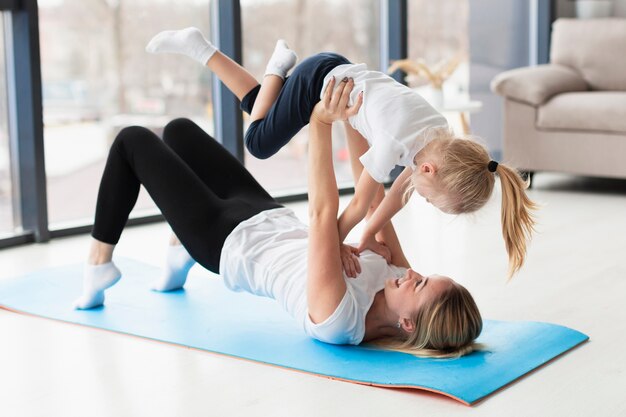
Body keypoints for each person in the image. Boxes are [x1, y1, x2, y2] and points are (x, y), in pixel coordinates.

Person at [73, 80, 482, 358]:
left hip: (224, 240)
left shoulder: (339, 319)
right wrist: (358, 112)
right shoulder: (397, 276)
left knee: (132, 141)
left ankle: (98, 266)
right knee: (180, 131)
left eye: (421, 283)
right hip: (266, 213)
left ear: (407, 324)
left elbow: (323, 214)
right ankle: (176, 251)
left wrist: (321, 122)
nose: (414, 273)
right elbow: (368, 188)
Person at [146, 27, 537, 278]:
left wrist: (368, 235)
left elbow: (396, 194)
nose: (421, 198)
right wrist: (332, 245)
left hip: (337, 70)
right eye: (431, 199)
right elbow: (360, 201)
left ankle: (210, 51)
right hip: (320, 82)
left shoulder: (439, 134)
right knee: (258, 142)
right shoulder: (396, 143)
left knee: (260, 110)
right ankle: (276, 68)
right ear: (431, 170)